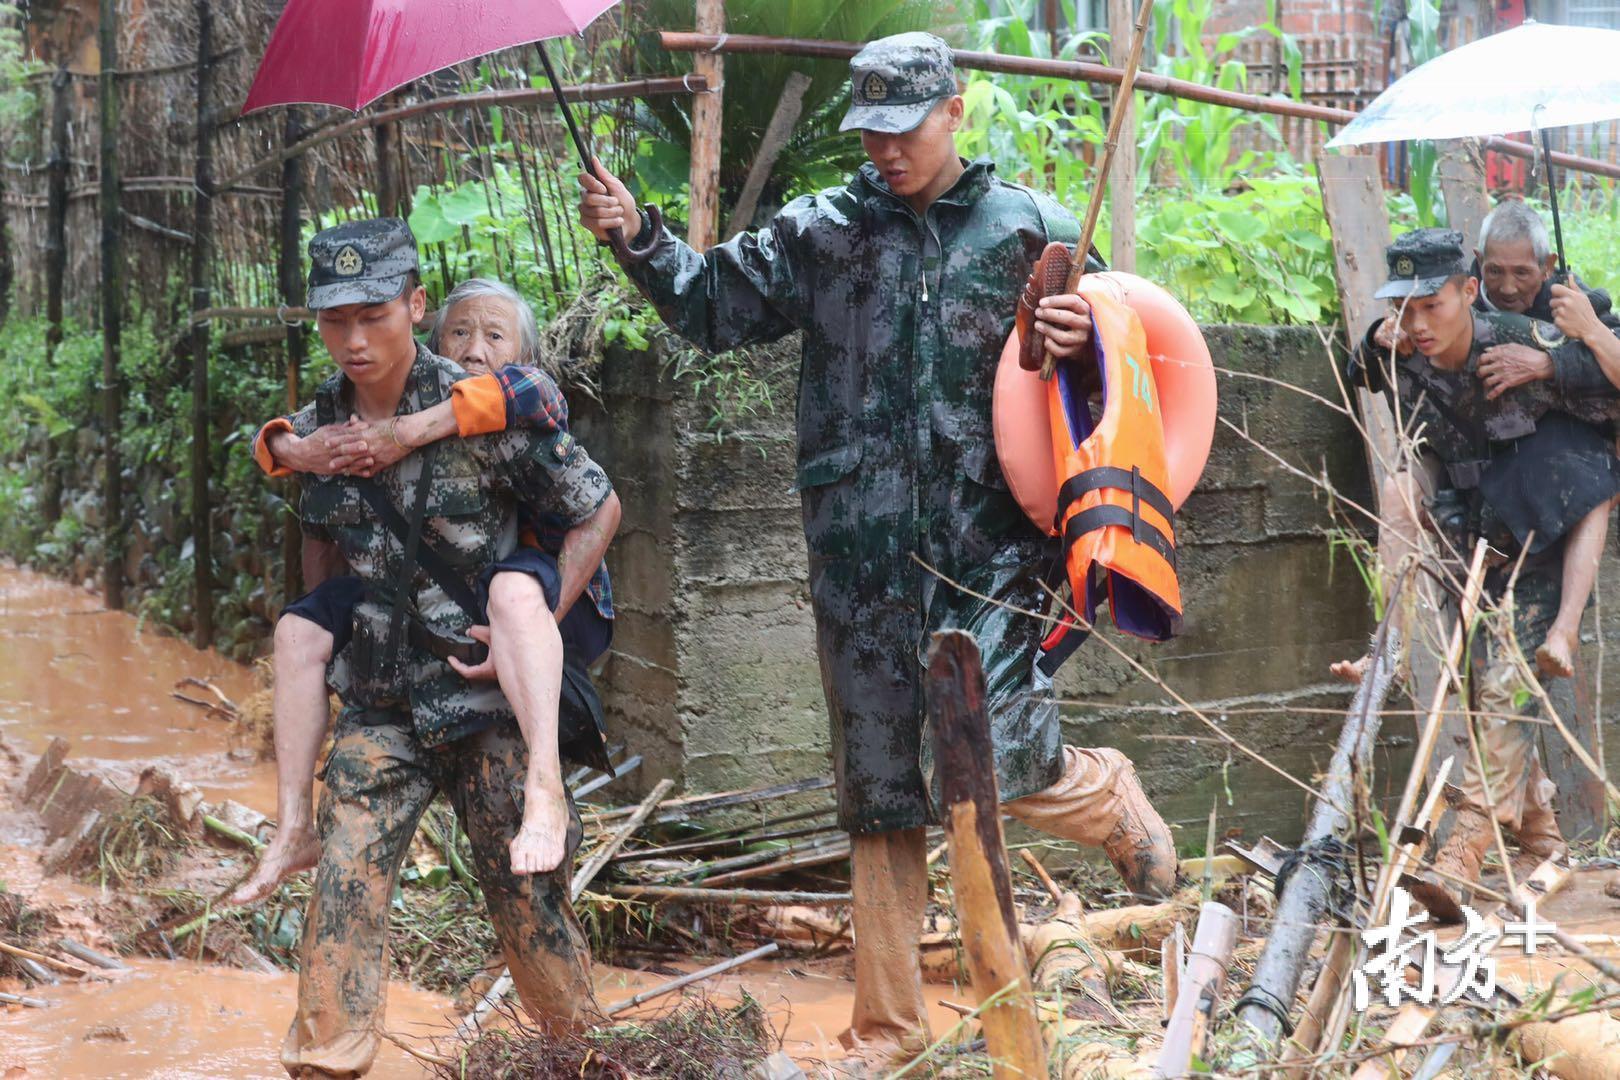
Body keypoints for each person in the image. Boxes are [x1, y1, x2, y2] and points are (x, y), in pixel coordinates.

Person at [579, 32, 1175, 1071]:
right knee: (880, 787)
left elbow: (1112, 390)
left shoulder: (1027, 231)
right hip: (858, 557)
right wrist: (639, 235)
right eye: (872, 132)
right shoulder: (825, 231)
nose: (888, 150)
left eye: (906, 128)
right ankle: (888, 1033)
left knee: (994, 762)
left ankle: (1103, 795)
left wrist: (1088, 339)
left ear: (955, 112)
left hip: (991, 554)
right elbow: (712, 303)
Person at [270, 221, 615, 1076]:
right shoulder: (315, 428)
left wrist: (534, 613)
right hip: (380, 707)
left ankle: (582, 1056)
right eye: (334, 320)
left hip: (486, 706)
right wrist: (322, 635)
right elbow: (321, 545)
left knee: (528, 905)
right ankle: (327, 1063)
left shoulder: (481, 402)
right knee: (342, 891)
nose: (354, 340)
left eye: (374, 315)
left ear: (415, 307)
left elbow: (597, 508)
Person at [230, 278, 618, 908]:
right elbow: (283, 461)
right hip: (393, 679)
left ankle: (544, 789)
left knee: (516, 595)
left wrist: (408, 433)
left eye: (495, 336)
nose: (473, 349)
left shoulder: (516, 405)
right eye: (460, 333)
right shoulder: (344, 415)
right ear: (435, 338)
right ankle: (292, 826)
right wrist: (296, 451)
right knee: (296, 629)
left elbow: (584, 482)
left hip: (531, 604)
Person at [1344, 228, 1620, 919]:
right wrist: (1375, 338)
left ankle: (1464, 848)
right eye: (1403, 307)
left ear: (1469, 293)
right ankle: (1540, 837)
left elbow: (1602, 375)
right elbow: (1360, 372)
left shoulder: (1523, 339)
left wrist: (1554, 365)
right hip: (1474, 536)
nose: (1418, 324)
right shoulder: (1405, 347)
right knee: (1482, 687)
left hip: (1546, 527)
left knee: (1507, 686)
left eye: (1431, 305)